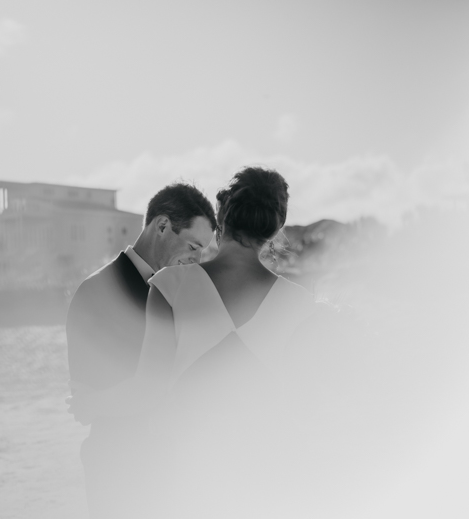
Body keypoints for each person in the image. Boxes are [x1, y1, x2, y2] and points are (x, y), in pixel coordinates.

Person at [68, 167, 319, 518]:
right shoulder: (302, 304)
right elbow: (305, 405)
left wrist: (91, 403)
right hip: (264, 477)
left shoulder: (172, 286)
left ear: (222, 218)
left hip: (189, 479)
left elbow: (147, 389)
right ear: (275, 229)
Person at [65, 182, 216, 519]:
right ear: (162, 226)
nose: (197, 259)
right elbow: (88, 401)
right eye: (193, 246)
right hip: (120, 471)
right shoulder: (96, 292)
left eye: (203, 251)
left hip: (176, 470)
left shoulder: (184, 292)